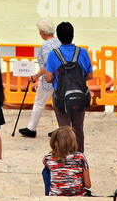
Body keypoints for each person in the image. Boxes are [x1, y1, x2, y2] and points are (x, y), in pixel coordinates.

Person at [40, 22, 93, 152]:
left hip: (61, 97)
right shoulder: (82, 52)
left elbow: (48, 78)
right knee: (78, 128)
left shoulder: (54, 54)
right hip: (80, 96)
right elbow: (90, 75)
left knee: (64, 129)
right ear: (73, 35)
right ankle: (79, 157)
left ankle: (65, 156)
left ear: (58, 36)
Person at [20, 21, 60, 139]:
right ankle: (60, 128)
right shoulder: (58, 41)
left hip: (48, 79)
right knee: (57, 104)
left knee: (39, 103)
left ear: (42, 32)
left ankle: (31, 128)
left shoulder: (46, 45)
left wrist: (36, 76)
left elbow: (48, 64)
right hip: (60, 78)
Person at [42, 126, 91, 196]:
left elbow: (44, 161)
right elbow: (88, 185)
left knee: (46, 170)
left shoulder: (48, 158)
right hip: (78, 194)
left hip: (56, 195)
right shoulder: (80, 157)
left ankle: (54, 191)